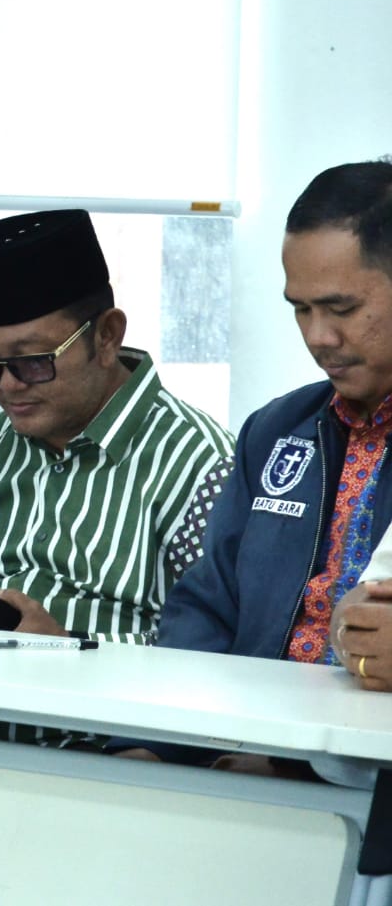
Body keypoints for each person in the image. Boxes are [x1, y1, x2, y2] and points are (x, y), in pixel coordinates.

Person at [0, 209, 235, 745]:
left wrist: (68, 654)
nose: (8, 386)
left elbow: (219, 661)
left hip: (113, 759)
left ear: (107, 336)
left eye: (33, 361)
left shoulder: (198, 464)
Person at [116, 160, 392, 766]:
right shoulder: (275, 430)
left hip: (358, 777)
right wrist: (150, 745)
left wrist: (286, 769)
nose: (318, 336)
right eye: (301, 309)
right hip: (241, 758)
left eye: (341, 308)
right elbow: (206, 607)